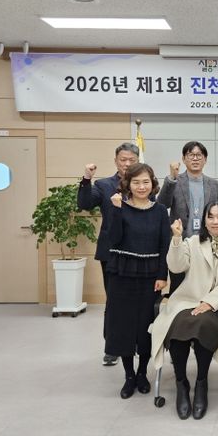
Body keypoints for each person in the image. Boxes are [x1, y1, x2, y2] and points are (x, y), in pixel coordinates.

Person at [149, 201, 218, 420]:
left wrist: (210, 302)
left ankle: (201, 382)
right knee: (178, 324)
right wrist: (176, 238)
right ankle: (182, 383)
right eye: (211, 217)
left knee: (203, 324)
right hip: (187, 301)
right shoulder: (192, 242)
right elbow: (176, 266)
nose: (216, 221)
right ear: (205, 221)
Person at [106, 163, 171, 400]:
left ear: (152, 184)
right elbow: (113, 239)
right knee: (123, 326)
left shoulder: (160, 211)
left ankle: (143, 373)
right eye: (136, 182)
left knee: (146, 325)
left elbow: (165, 245)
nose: (141, 187)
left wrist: (162, 275)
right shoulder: (119, 206)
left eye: (145, 182)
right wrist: (115, 211)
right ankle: (129, 375)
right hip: (121, 274)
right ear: (128, 184)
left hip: (149, 275)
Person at [77, 142, 139, 367]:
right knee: (114, 300)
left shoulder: (143, 184)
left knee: (136, 301)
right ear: (115, 161)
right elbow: (84, 203)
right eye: (123, 159)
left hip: (138, 251)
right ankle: (112, 347)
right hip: (111, 252)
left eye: (131, 160)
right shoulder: (103, 185)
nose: (127, 164)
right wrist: (86, 178)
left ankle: (135, 343)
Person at [157, 141, 218, 293]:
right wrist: (172, 177)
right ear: (184, 158)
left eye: (199, 155)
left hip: (207, 244)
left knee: (206, 288)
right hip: (182, 243)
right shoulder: (175, 181)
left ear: (205, 159)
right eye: (190, 155)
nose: (195, 158)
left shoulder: (215, 184)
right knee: (179, 288)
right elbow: (162, 204)